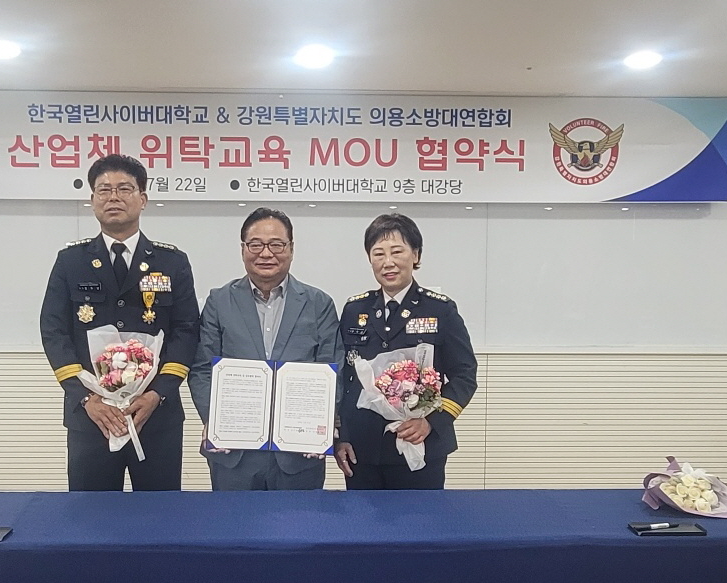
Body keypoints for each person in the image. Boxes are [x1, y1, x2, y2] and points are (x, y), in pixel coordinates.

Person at [40, 154, 199, 491]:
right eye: (104, 190)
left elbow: (186, 331)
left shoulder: (172, 262)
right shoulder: (71, 261)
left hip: (155, 417)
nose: (113, 197)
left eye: (124, 189)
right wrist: (86, 399)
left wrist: (157, 394)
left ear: (143, 198)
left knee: (159, 513)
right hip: (92, 418)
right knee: (91, 514)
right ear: (92, 200)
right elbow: (53, 331)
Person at [188, 207, 342, 490]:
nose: (266, 253)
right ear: (243, 249)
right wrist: (215, 419)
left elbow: (332, 369)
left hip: (299, 454)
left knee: (300, 520)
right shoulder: (219, 302)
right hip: (234, 454)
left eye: (276, 245)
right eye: (255, 244)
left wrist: (322, 423)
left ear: (291, 249)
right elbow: (201, 369)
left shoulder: (319, 304)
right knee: (233, 520)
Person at [334, 213, 477, 489]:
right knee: (361, 517)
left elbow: (465, 375)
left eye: (397, 251)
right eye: (378, 253)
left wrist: (431, 421)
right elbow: (346, 380)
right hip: (362, 450)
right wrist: (342, 436)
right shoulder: (354, 310)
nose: (387, 262)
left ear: (416, 255)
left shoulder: (440, 310)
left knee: (421, 517)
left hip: (421, 445)